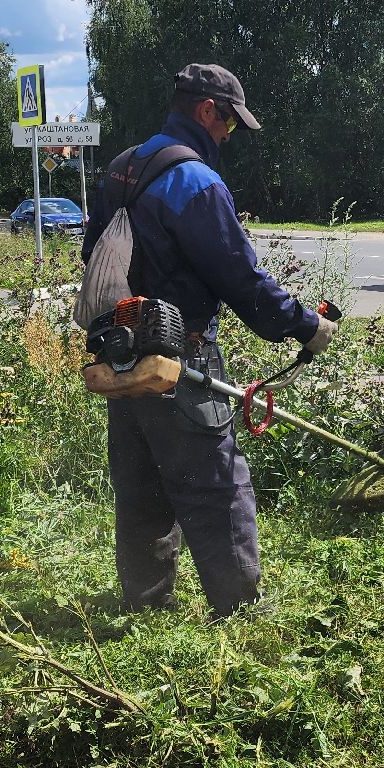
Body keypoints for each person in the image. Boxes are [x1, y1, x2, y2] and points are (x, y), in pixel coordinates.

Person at [81, 63, 335, 618]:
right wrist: (304, 326)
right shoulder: (195, 183)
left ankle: (147, 603)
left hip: (123, 357)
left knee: (141, 483)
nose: (228, 136)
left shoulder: (122, 168)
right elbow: (241, 280)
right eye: (229, 124)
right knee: (216, 484)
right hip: (181, 358)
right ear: (206, 111)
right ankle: (241, 607)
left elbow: (93, 256)